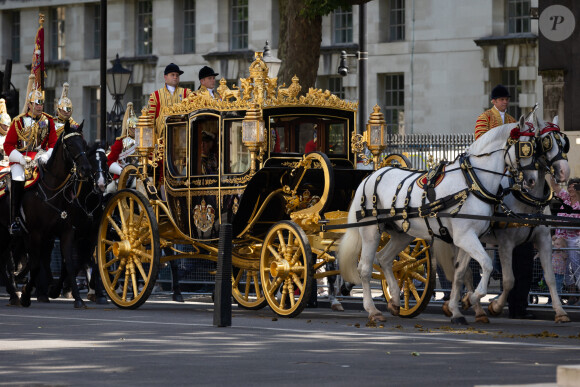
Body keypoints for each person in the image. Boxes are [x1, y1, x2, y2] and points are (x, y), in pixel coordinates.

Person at [474, 84, 535, 319]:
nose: (504, 102)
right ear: (493, 101)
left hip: (511, 169)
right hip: (492, 169)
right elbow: (480, 143)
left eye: (506, 99)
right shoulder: (484, 118)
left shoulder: (511, 119)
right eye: (500, 99)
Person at [3, 85, 57, 236]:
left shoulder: (49, 121)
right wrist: (21, 159)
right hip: (22, 160)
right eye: (36, 103)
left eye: (41, 103)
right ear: (29, 105)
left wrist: (46, 156)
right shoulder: (18, 122)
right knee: (18, 176)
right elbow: (8, 145)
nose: (40, 107)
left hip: (41, 157)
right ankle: (15, 219)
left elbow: (53, 143)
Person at [549, 176, 580, 304]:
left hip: (576, 240)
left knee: (576, 267)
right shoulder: (566, 199)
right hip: (562, 240)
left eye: (574, 186)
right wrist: (553, 174)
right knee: (566, 269)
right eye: (569, 186)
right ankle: (572, 296)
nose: (570, 188)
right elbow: (555, 187)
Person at [146, 63, 192, 138]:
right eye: (172, 75)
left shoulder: (186, 93)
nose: (175, 77)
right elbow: (150, 120)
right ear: (165, 77)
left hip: (182, 134)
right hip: (162, 136)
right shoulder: (155, 95)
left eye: (177, 75)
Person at [106, 102, 137, 192]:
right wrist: (123, 171)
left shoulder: (142, 141)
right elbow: (110, 161)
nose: (135, 130)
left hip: (140, 174)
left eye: (137, 127)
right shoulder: (121, 142)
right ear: (128, 127)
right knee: (108, 191)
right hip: (122, 176)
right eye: (133, 127)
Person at [551, 236, 568, 302]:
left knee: (558, 286)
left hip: (560, 273)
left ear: (563, 246)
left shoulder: (563, 253)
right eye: (555, 244)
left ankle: (558, 299)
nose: (555, 246)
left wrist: (562, 250)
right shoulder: (553, 253)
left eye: (557, 244)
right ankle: (551, 299)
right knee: (552, 287)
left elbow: (565, 257)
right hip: (553, 272)